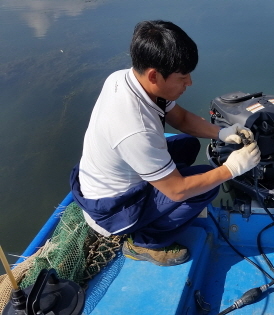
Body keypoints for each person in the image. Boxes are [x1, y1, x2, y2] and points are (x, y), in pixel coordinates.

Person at [70, 20, 261, 267]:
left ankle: (156, 198)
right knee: (207, 184)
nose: (189, 83)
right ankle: (143, 242)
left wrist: (222, 133)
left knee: (189, 145)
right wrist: (231, 170)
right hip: (114, 209)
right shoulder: (133, 127)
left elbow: (180, 118)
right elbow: (177, 190)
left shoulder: (126, 79)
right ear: (154, 75)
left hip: (106, 179)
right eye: (182, 77)